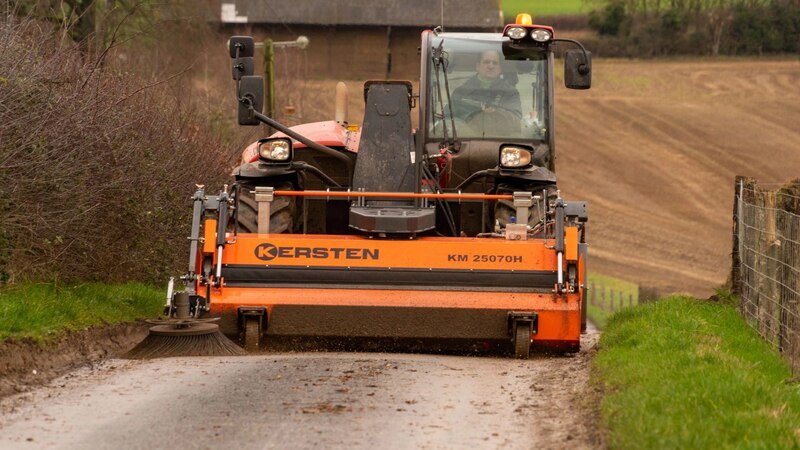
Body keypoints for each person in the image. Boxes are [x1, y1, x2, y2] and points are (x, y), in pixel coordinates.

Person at [450, 50, 522, 122]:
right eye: (486, 62)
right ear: (478, 66)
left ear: (500, 68)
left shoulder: (510, 93)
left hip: (499, 132)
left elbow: (516, 119)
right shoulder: (461, 92)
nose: (491, 66)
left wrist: (496, 114)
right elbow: (447, 119)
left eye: (495, 63)